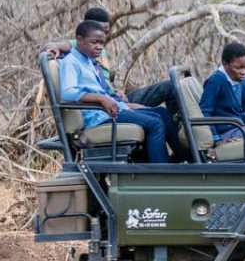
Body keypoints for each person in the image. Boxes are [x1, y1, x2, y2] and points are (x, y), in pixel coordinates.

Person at [59, 20, 185, 164]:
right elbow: (67, 93)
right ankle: (163, 172)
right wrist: (100, 99)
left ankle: (187, 161)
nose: (99, 47)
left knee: (161, 113)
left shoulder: (88, 61)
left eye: (102, 43)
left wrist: (122, 103)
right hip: (97, 117)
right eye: (95, 42)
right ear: (79, 40)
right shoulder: (71, 62)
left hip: (110, 110)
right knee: (155, 124)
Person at [42, 6, 174, 108]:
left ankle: (182, 128)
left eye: (106, 32)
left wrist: (117, 91)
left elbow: (102, 77)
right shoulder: (80, 45)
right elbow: (53, 45)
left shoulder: (99, 49)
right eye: (98, 31)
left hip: (116, 96)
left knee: (171, 86)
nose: (103, 36)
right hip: (106, 103)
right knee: (155, 116)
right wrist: (51, 47)